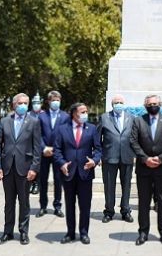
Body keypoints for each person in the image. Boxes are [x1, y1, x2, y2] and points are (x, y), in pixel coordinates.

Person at [0, 93, 42, 245]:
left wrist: (34, 168)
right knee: (9, 202)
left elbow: (37, 148)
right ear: (14, 105)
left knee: (24, 202)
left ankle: (23, 232)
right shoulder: (5, 121)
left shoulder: (33, 122)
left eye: (25, 103)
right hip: (7, 168)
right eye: (20, 103)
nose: (23, 106)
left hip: (25, 168)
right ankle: (7, 232)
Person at [130, 94, 162, 246]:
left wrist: (160, 158)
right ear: (145, 106)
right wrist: (145, 159)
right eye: (150, 104)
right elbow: (133, 142)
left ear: (160, 105)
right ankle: (143, 232)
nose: (153, 106)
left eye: (155, 104)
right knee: (143, 202)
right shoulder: (138, 121)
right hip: (143, 169)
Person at [54, 103, 102, 244]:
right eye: (83, 112)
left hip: (85, 173)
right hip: (68, 173)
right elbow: (57, 150)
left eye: (86, 111)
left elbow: (98, 149)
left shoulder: (92, 128)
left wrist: (94, 161)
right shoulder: (62, 129)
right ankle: (70, 233)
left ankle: (84, 233)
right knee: (69, 205)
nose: (85, 114)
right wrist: (62, 163)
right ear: (74, 113)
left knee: (85, 205)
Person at [98, 94, 136, 223]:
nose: (118, 104)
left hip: (127, 157)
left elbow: (135, 137)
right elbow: (97, 138)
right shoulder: (104, 117)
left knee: (126, 185)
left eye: (120, 102)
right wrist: (98, 155)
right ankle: (109, 211)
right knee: (109, 185)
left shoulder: (131, 118)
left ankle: (125, 210)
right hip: (109, 157)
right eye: (116, 103)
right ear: (112, 105)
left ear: (124, 104)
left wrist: (135, 154)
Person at [36, 90, 70, 217]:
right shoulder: (41, 116)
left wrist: (56, 149)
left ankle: (57, 206)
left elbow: (66, 135)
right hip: (44, 153)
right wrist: (44, 148)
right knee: (43, 180)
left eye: (58, 100)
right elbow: (37, 134)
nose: (56, 102)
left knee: (58, 180)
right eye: (53, 100)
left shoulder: (65, 116)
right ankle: (43, 206)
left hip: (58, 153)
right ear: (49, 101)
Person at [27, 92, 44, 195]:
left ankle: (37, 184)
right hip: (29, 143)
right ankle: (31, 183)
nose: (36, 105)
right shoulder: (28, 114)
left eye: (38, 103)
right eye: (34, 103)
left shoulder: (44, 115)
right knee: (30, 163)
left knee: (38, 164)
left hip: (41, 143)